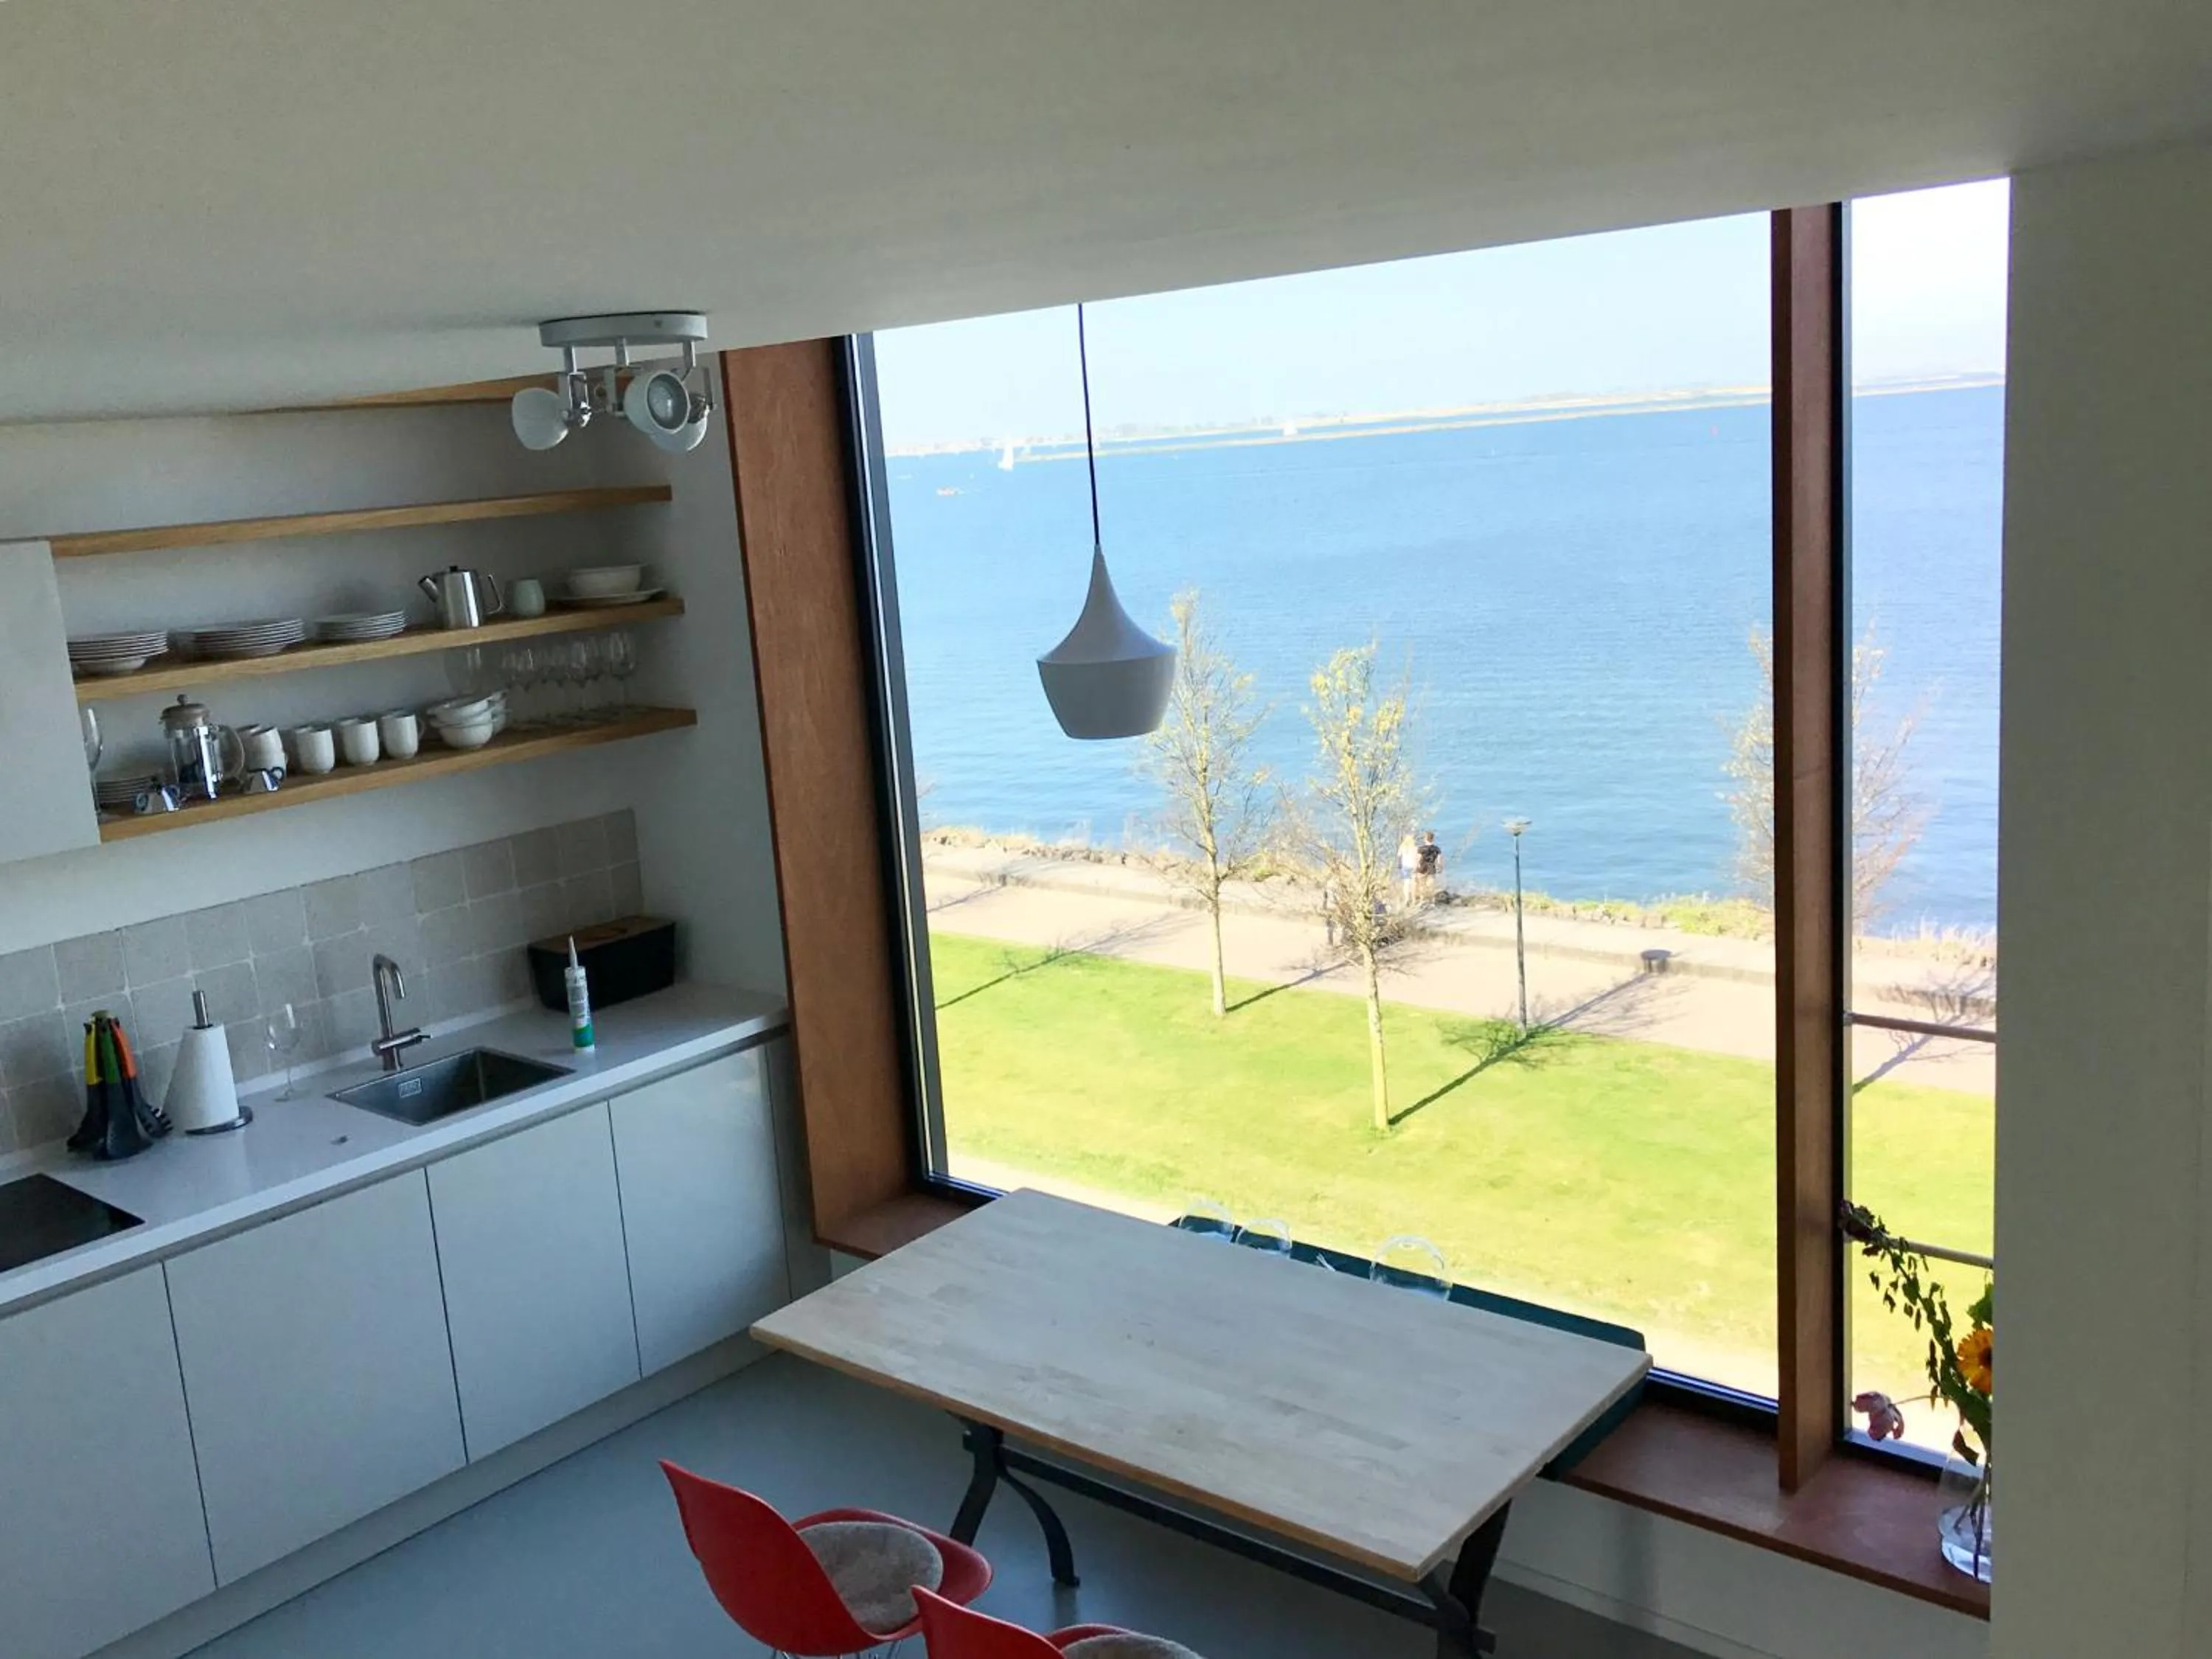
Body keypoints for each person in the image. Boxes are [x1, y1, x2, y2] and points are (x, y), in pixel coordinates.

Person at [1416, 829, 1444, 902]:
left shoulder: (1421, 849)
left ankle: (1422, 900)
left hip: (1422, 868)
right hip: (1431, 867)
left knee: (1422, 885)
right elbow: (1439, 860)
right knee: (1431, 886)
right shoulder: (1437, 849)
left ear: (1425, 839)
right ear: (1433, 839)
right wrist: (1440, 868)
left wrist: (1416, 867)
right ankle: (1432, 900)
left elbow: (1418, 859)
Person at [1397, 832, 1419, 906]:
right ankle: (1414, 899)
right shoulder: (1415, 848)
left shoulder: (1402, 847)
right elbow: (1417, 858)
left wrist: (1399, 864)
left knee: (1406, 883)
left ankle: (1407, 899)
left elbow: (1399, 857)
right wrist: (1417, 866)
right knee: (1414, 883)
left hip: (1405, 866)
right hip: (1413, 866)